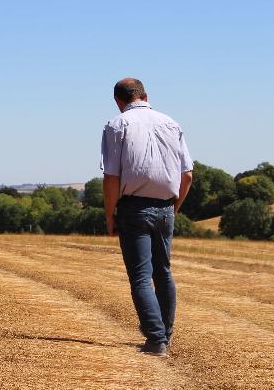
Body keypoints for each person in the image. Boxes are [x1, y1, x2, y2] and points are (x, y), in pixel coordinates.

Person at [100, 78, 193, 356]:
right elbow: (187, 175)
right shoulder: (171, 123)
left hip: (133, 209)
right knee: (163, 273)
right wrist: (173, 208)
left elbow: (111, 178)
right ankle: (166, 332)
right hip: (166, 206)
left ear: (118, 101)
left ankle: (156, 339)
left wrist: (109, 215)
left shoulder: (116, 125)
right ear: (146, 95)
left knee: (140, 278)